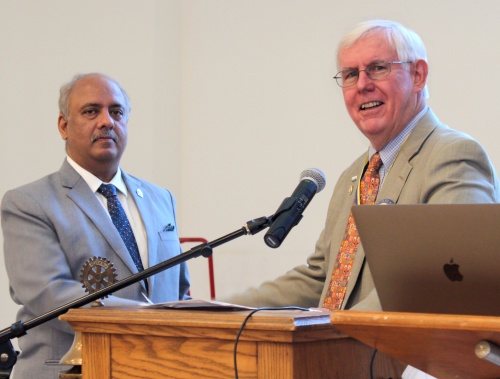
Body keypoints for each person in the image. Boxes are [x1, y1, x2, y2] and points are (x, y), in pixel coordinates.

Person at [226, 20, 500, 311]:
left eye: (378, 68)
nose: (362, 85)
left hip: (405, 355)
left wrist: (341, 330)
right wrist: (215, 308)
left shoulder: (452, 156)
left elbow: (442, 277)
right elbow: (322, 280)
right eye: (350, 74)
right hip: (344, 351)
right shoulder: (352, 178)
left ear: (418, 75)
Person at [1, 73, 190, 379]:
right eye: (91, 111)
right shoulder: (28, 202)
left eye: (116, 112)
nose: (106, 121)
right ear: (64, 126)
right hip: (67, 371)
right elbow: (50, 294)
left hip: (154, 370)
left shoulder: (160, 198)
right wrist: (147, 318)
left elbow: (178, 292)